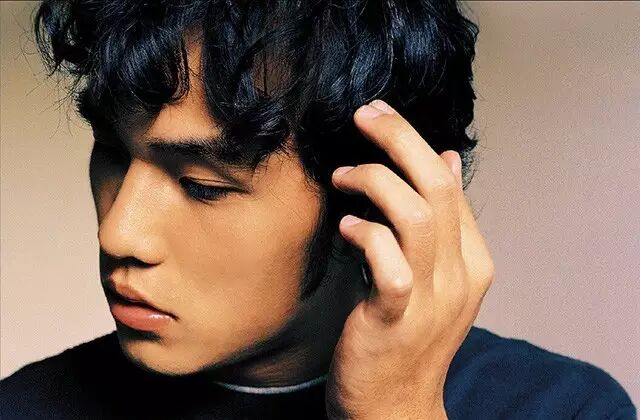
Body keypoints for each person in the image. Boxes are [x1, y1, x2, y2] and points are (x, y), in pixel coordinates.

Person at [1, 0, 636, 418]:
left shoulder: (565, 409)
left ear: (378, 196)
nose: (120, 232)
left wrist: (396, 413)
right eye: (112, 152)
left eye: (203, 185)